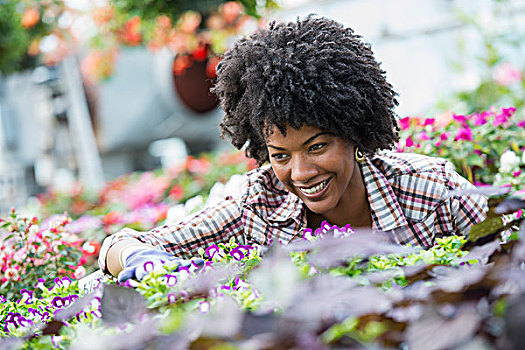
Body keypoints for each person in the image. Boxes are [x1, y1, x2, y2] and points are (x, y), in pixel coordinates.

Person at [99, 16, 487, 280]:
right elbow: (121, 246)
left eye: (317, 147)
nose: (300, 173)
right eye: (280, 155)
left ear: (354, 132)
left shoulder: (430, 191)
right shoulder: (260, 206)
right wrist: (140, 260)